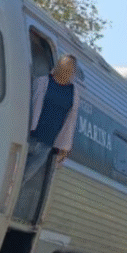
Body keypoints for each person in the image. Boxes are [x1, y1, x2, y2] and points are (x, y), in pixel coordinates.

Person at [22, 54, 82, 184]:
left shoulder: (73, 93)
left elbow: (70, 122)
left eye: (70, 68)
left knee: (23, 178)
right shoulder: (42, 82)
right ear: (58, 66)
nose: (67, 70)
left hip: (46, 145)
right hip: (27, 136)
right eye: (64, 65)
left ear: (73, 72)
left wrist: (64, 148)